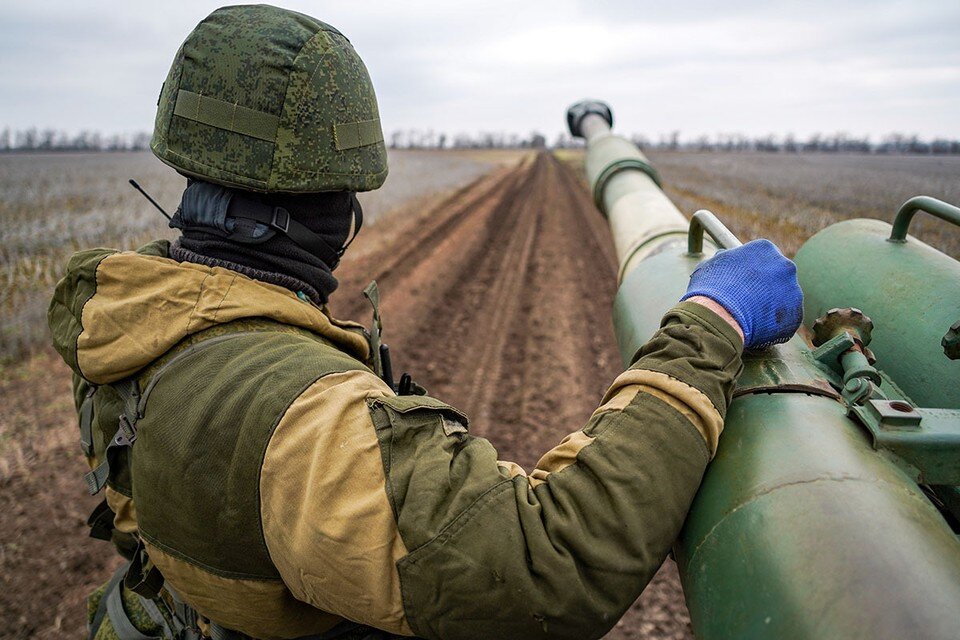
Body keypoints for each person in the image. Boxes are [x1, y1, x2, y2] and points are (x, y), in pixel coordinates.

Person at [48, 5, 802, 640]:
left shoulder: (135, 314)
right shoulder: (301, 419)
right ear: (339, 206)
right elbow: (548, 565)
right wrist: (709, 321)